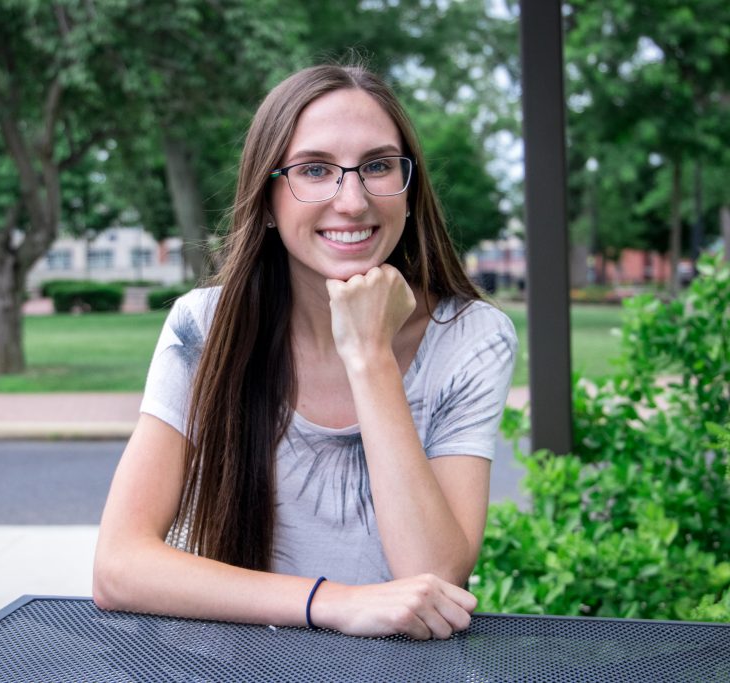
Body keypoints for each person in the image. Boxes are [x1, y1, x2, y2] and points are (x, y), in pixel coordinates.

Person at [93, 63, 516, 640]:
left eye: (377, 166)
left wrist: (369, 356)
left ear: (409, 188)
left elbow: (433, 578)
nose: (352, 200)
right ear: (267, 200)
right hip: (242, 665)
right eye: (314, 170)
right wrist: (337, 603)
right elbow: (119, 567)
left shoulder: (471, 338)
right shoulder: (203, 328)